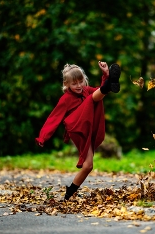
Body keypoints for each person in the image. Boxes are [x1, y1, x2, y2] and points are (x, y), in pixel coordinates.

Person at [35, 61, 121, 200]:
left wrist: (105, 75)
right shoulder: (66, 99)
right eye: (74, 84)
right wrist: (42, 137)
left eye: (81, 81)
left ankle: (70, 193)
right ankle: (108, 85)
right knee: (91, 100)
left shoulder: (86, 90)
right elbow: (54, 118)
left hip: (88, 126)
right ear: (67, 84)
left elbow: (98, 93)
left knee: (88, 166)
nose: (79, 86)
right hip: (77, 128)